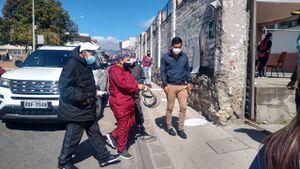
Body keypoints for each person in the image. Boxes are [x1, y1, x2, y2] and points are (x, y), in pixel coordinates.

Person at [57, 42, 120, 169]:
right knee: (73, 136)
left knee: (95, 133)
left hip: (87, 108)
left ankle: (104, 157)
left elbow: (84, 84)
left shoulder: (84, 64)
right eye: (92, 53)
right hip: (77, 109)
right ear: (84, 52)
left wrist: (94, 92)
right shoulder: (72, 64)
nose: (93, 56)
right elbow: (65, 88)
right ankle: (63, 162)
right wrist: (84, 98)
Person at [250, 30, 300, 169]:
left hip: (262, 55)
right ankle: (261, 73)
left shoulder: (276, 149)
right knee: (263, 64)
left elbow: (261, 48)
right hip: (264, 55)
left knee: (261, 64)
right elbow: (266, 50)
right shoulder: (277, 150)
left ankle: (260, 74)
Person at [105, 51, 145, 160]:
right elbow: (124, 85)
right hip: (120, 102)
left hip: (128, 101)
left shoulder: (125, 69)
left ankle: (113, 135)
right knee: (123, 126)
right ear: (121, 59)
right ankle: (121, 149)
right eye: (128, 58)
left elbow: (130, 81)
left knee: (131, 122)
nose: (131, 60)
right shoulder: (115, 70)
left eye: (131, 58)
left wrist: (139, 85)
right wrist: (137, 86)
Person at [160, 37, 192, 139]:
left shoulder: (185, 57)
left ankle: (181, 128)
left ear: (181, 46)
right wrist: (165, 84)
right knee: (170, 108)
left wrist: (189, 82)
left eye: (179, 47)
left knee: (183, 107)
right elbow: (163, 72)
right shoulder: (165, 57)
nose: (177, 49)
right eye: (175, 47)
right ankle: (169, 126)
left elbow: (187, 70)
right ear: (171, 46)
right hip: (170, 86)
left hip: (182, 86)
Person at [128, 52, 147, 135]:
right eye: (130, 57)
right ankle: (128, 126)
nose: (131, 59)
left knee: (138, 108)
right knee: (128, 110)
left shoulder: (138, 68)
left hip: (135, 93)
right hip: (127, 94)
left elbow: (142, 77)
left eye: (133, 57)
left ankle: (140, 124)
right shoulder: (125, 67)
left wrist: (139, 82)